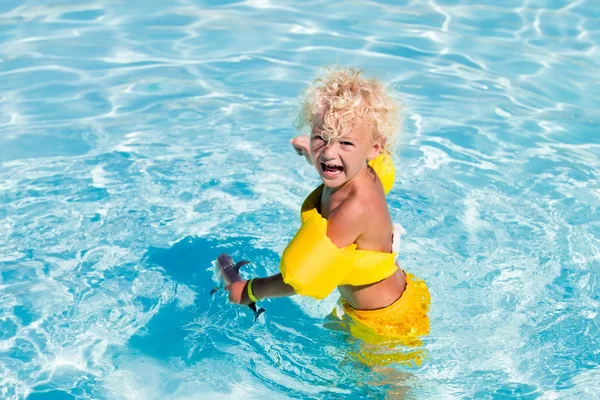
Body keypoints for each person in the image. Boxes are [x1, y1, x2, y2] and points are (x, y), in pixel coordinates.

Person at [225, 67, 429, 349]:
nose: (330, 152)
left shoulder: (354, 210)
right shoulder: (363, 171)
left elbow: (307, 274)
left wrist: (248, 290)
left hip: (384, 324)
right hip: (384, 299)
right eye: (321, 137)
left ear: (374, 148)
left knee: (390, 391)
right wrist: (313, 154)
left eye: (345, 142)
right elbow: (339, 166)